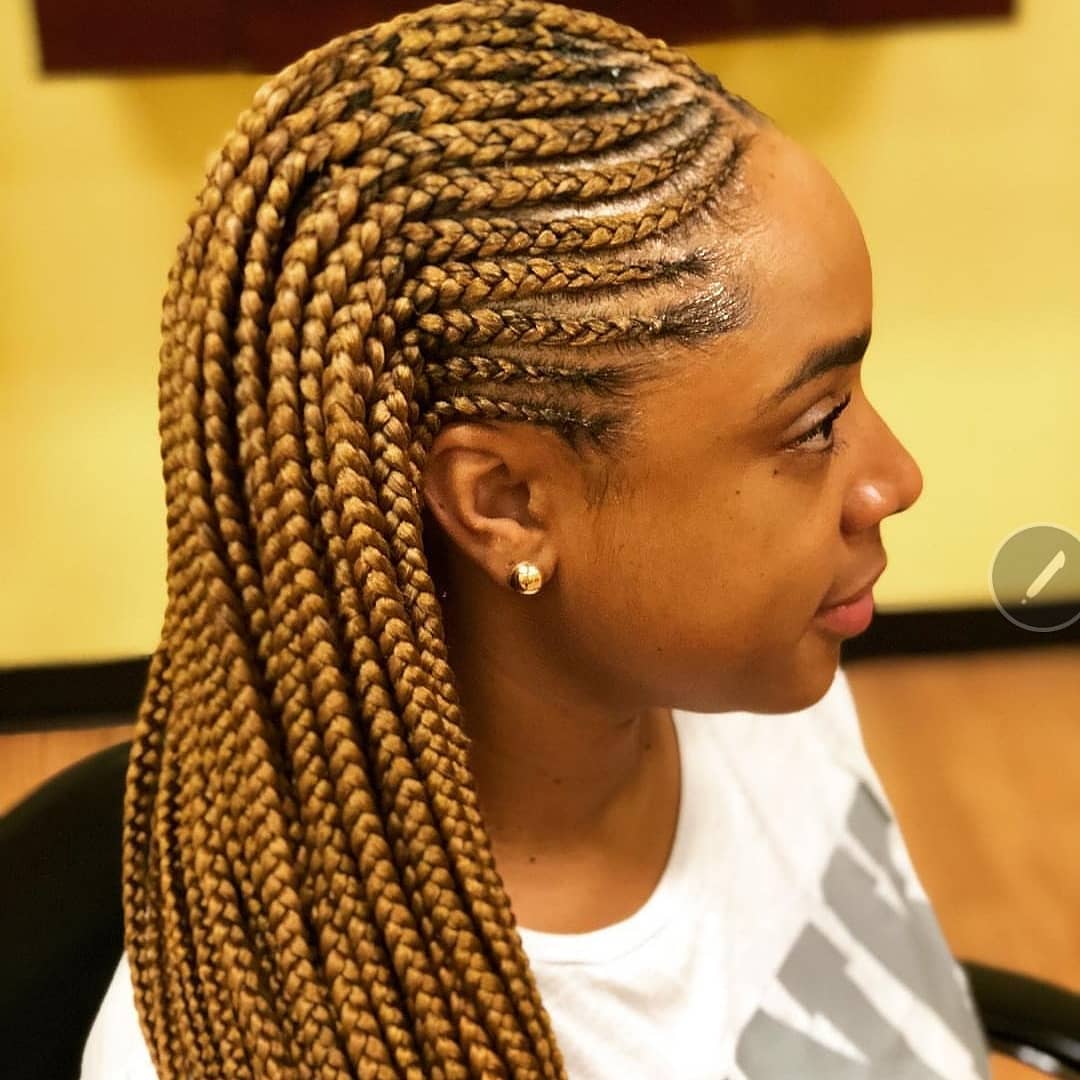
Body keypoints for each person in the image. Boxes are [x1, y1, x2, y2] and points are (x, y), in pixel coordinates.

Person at [81, 1, 992, 1076]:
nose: (895, 480)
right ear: (504, 502)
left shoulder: (758, 674)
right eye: (816, 424)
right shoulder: (291, 1046)